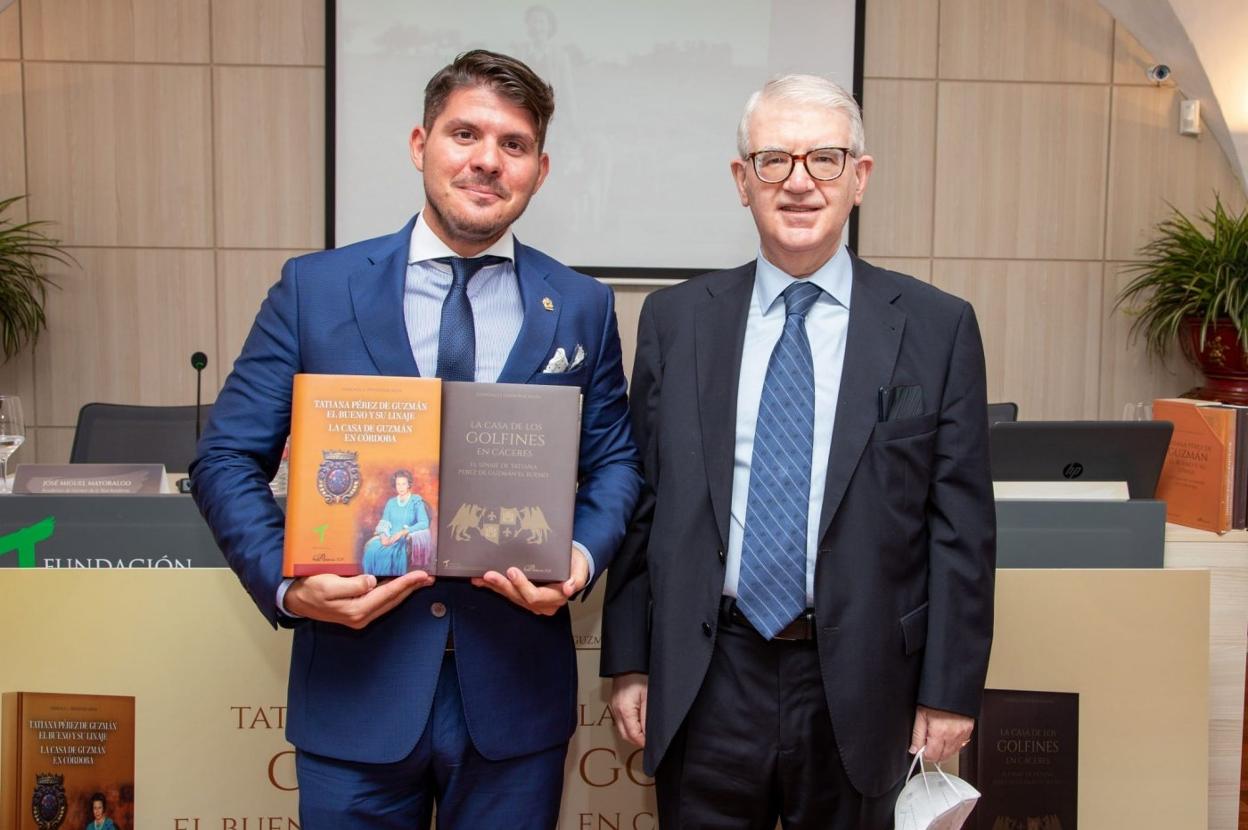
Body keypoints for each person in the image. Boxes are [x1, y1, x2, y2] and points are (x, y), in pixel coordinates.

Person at [191, 49, 641, 829]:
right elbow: (226, 457)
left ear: (540, 168)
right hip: (354, 695)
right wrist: (288, 586)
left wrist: (578, 557)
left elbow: (616, 464)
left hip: (515, 701)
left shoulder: (579, 308)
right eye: (465, 133)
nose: (486, 161)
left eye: (513, 145)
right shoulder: (317, 289)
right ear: (418, 144)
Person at [600, 74, 995, 829]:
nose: (799, 183)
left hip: (866, 680)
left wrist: (949, 688)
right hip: (708, 673)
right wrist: (629, 660)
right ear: (741, 181)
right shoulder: (676, 322)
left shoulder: (937, 328)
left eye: (825, 159)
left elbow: (962, 529)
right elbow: (644, 499)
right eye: (774, 160)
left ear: (860, 178)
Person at [361, 469, 430, 576]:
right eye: (398, 484)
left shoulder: (416, 501)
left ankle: (388, 582)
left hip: (404, 538)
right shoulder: (391, 502)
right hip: (389, 536)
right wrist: (384, 537)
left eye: (403, 484)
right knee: (372, 550)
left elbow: (424, 523)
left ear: (409, 485)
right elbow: (384, 522)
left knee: (390, 554)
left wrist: (403, 532)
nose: (401, 487)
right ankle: (372, 580)